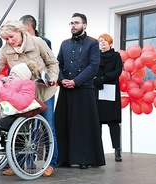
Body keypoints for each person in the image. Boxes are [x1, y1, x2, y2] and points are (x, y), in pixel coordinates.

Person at [0, 19, 59, 177]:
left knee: (48, 126)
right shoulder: (5, 50)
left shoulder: (37, 42)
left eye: (12, 37)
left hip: (43, 91)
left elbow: (52, 62)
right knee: (20, 130)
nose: (10, 41)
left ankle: (50, 163)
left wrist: (52, 77)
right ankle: (17, 163)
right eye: (6, 39)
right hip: (22, 94)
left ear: (20, 31)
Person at [55, 13, 106, 169]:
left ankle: (85, 158)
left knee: (83, 125)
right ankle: (63, 158)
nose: (73, 26)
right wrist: (61, 79)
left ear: (84, 25)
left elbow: (93, 66)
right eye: (71, 23)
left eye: (76, 23)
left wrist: (76, 81)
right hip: (65, 89)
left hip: (83, 89)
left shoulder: (92, 43)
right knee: (62, 124)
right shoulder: (64, 44)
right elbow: (57, 64)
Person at [94, 33, 123, 162]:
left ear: (110, 43)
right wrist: (96, 80)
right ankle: (97, 150)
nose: (102, 43)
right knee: (97, 121)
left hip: (111, 90)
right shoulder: (95, 56)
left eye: (105, 41)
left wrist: (103, 78)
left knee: (113, 122)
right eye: (100, 41)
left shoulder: (116, 56)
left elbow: (117, 72)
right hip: (98, 90)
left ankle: (117, 150)